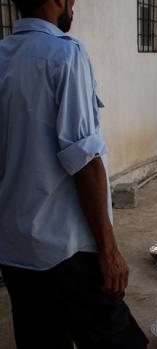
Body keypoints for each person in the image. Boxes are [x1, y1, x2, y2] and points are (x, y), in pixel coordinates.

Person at [0, 1, 148, 348]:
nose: (73, 6)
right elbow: (84, 159)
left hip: (14, 249)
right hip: (63, 248)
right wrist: (109, 252)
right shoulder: (64, 54)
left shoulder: (4, 54)